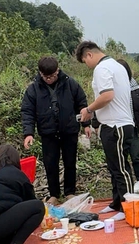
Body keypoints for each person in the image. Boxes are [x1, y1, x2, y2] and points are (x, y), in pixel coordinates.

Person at [75, 41, 134, 222]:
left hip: (117, 125)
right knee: (115, 167)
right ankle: (117, 202)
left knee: (121, 169)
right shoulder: (116, 66)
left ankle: (128, 206)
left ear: (89, 55)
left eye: (85, 61)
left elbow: (107, 95)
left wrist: (88, 110)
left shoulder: (102, 69)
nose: (87, 65)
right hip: (113, 124)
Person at [21, 56, 92, 205]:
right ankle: (53, 194)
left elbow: (82, 103)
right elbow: (27, 111)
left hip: (69, 130)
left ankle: (70, 192)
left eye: (52, 76)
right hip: (48, 133)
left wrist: (86, 124)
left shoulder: (70, 84)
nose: (49, 79)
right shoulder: (33, 89)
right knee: (50, 163)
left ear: (57, 70)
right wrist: (28, 133)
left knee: (70, 162)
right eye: (46, 77)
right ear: (40, 73)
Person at [116, 59, 139, 193]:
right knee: (121, 156)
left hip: (133, 127)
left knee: (136, 154)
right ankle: (125, 181)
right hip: (118, 127)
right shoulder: (112, 89)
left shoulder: (138, 89)